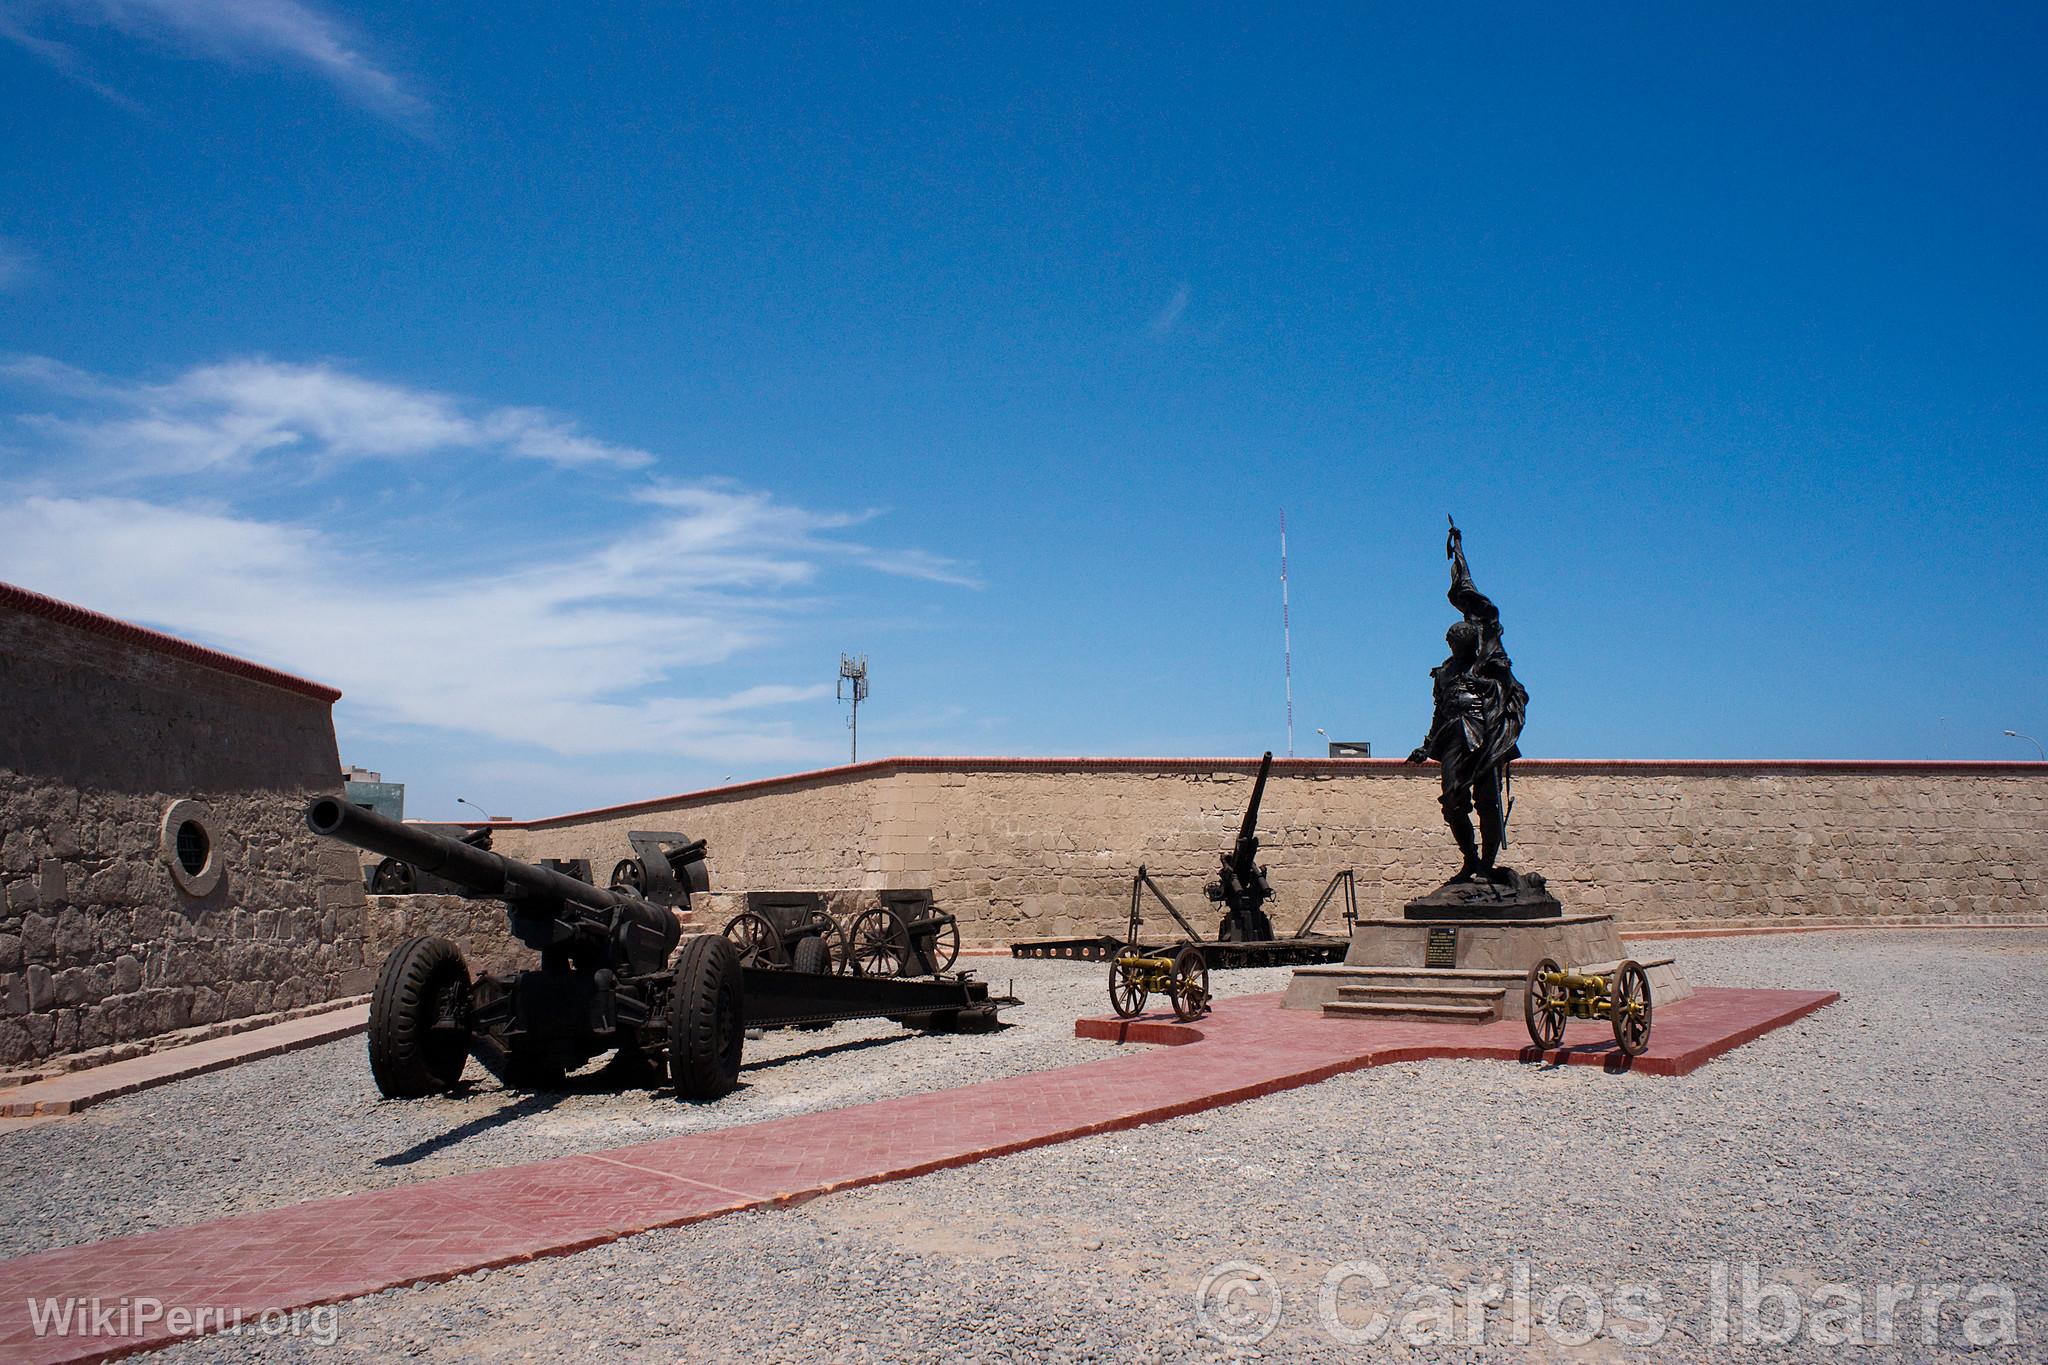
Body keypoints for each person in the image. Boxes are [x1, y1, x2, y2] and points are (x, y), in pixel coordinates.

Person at [1406, 519, 1527, 883]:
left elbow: (1484, 614)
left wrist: (1459, 556)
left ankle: (1488, 864)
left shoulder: (1486, 662)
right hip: (1453, 737)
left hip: (1484, 733)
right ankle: (1470, 859)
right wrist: (1426, 746)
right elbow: (1438, 711)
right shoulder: (1443, 673)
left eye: (1460, 639)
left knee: (1486, 800)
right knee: (1452, 801)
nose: (1456, 644)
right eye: (1453, 641)